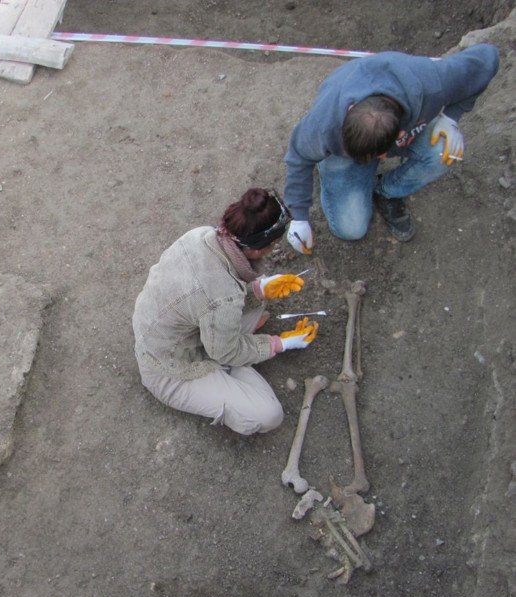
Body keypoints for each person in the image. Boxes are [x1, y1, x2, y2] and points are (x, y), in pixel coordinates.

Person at [132, 188, 319, 436]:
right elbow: (223, 336)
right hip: (167, 368)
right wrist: (279, 344)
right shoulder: (224, 298)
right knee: (268, 415)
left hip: (167, 331)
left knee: (253, 308)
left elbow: (207, 294)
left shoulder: (201, 235)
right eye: (275, 244)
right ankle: (226, 371)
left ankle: (232, 353)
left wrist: (258, 289)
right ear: (262, 246)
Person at [283, 43, 500, 253]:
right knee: (351, 229)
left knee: (445, 152)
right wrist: (299, 217)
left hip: (407, 117)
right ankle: (333, 166)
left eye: (376, 156)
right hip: (344, 148)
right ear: (351, 109)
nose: (368, 161)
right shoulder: (324, 124)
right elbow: (298, 156)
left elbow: (487, 57)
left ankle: (388, 191)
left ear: (401, 136)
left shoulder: (433, 84)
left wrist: (451, 116)